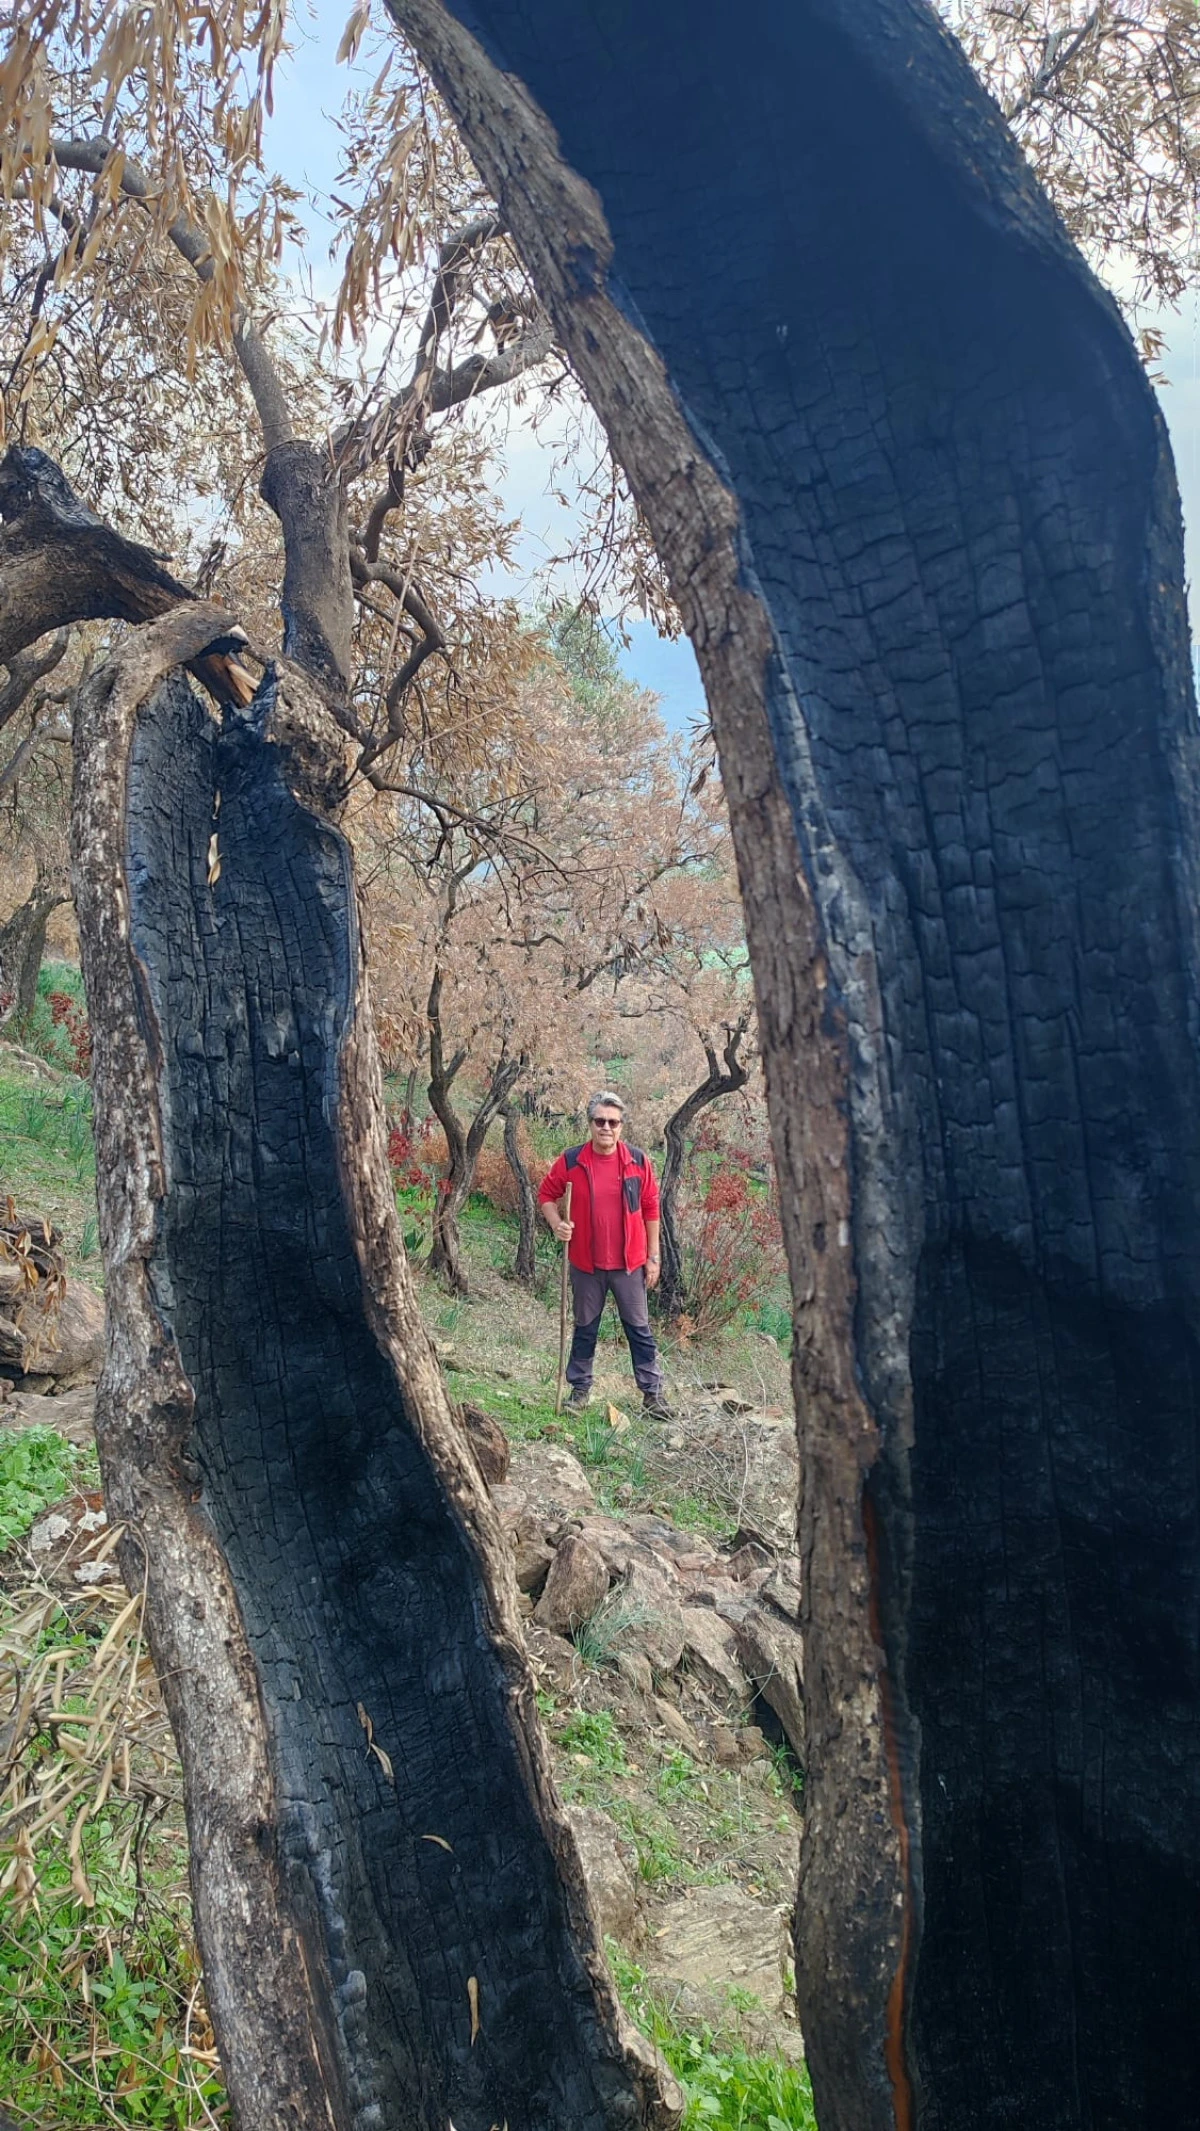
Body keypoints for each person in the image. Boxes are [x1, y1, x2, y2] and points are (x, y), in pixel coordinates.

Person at [538, 1091, 671, 1418]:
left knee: (639, 1329)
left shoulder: (638, 1161)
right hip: (586, 1264)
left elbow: (651, 1208)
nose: (606, 1128)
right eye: (600, 1121)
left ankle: (652, 1395)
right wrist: (557, 1224)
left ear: (621, 1126)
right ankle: (579, 1391)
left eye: (613, 1122)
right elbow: (546, 1195)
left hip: (629, 1264)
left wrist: (653, 1257)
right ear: (590, 1124)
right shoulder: (572, 1161)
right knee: (585, 1328)